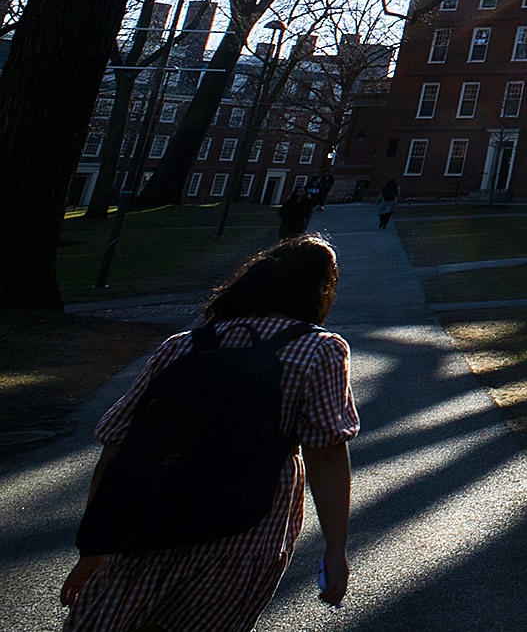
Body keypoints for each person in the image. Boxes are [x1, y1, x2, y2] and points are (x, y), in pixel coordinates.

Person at [61, 236, 360, 629]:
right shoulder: (319, 350)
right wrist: (335, 548)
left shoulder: (181, 346)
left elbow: (116, 444)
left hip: (146, 520)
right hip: (247, 529)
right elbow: (326, 454)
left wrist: (94, 548)